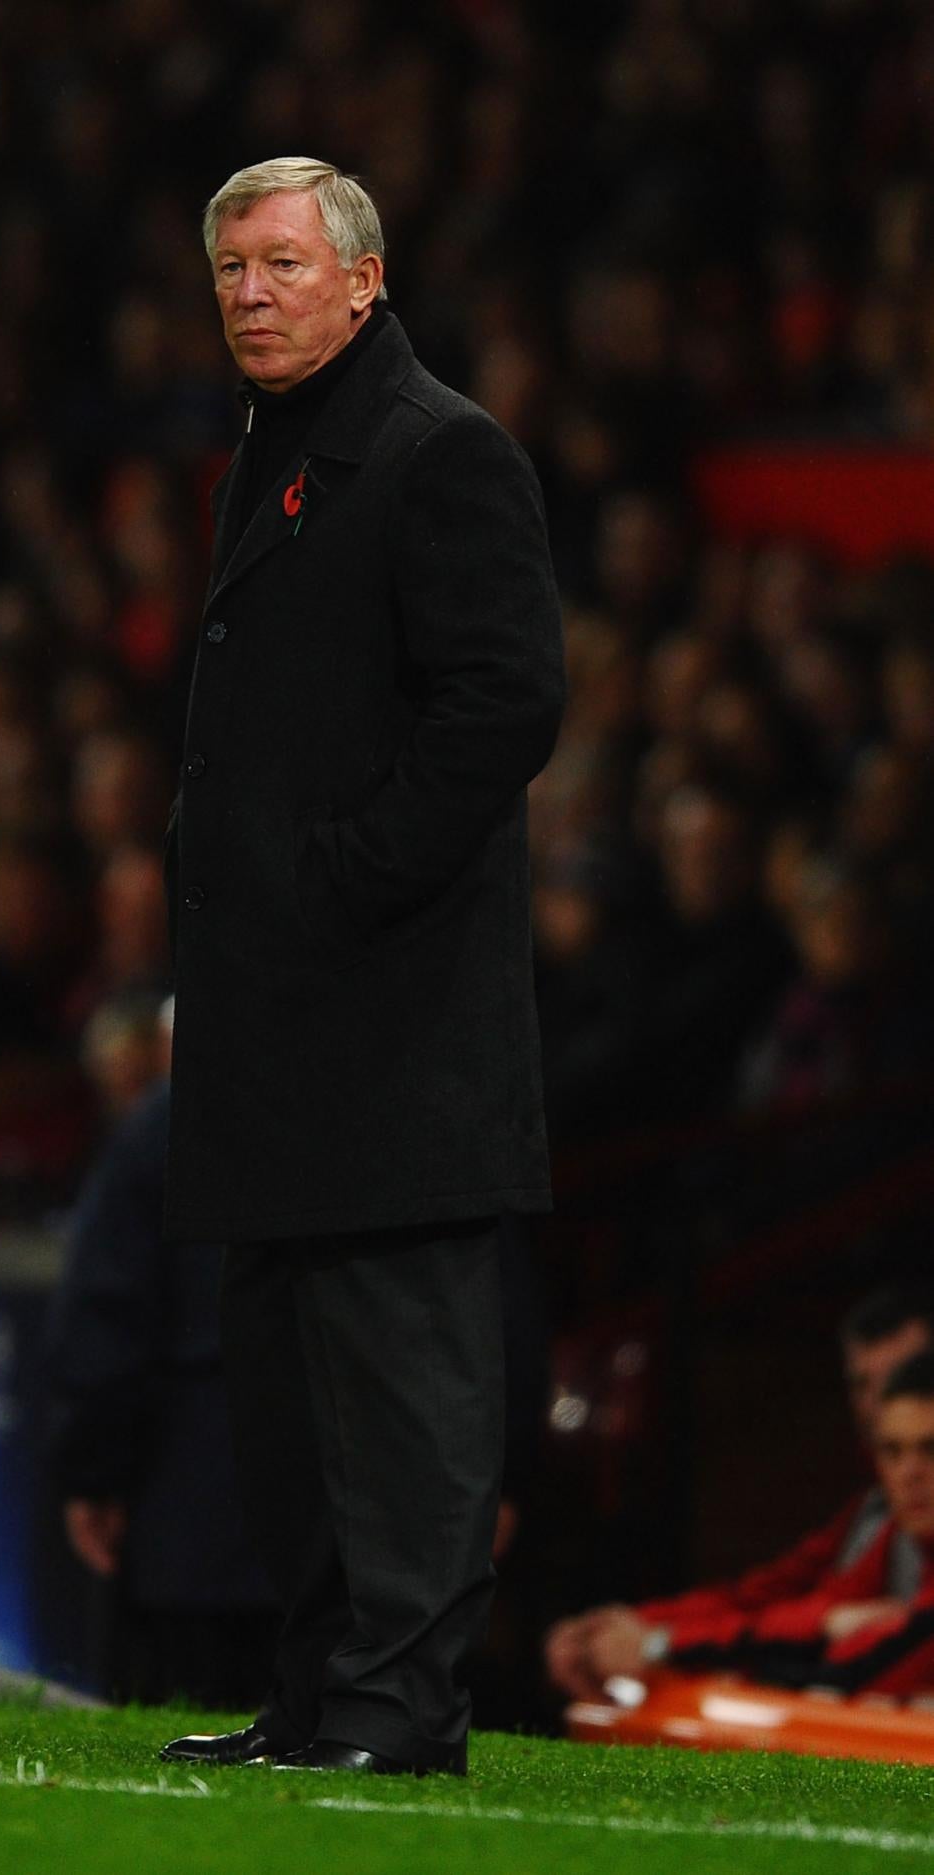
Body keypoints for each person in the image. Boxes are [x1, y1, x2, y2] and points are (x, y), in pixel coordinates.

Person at [157, 160, 565, 1778]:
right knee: (287, 1402)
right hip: (280, 1030)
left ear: (365, 280)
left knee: (400, 1387)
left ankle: (400, 1715)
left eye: (278, 264)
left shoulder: (437, 452)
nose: (250, 292)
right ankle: (325, 1701)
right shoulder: (282, 458)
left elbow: (507, 702)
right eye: (229, 272)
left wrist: (344, 880)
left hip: (394, 1024)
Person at [46, 1000, 278, 1709]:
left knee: (177, 1753)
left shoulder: (160, 1131)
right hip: (334, 1525)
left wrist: (93, 1469)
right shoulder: (367, 1119)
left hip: (188, 1525)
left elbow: (108, 1312)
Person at [544, 1284, 934, 1698]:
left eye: (903, 1377)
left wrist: (658, 1644)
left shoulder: (898, 1517)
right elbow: (770, 1603)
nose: (880, 1406)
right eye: (862, 1385)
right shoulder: (880, 1519)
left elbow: (834, 1663)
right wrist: (626, 1629)